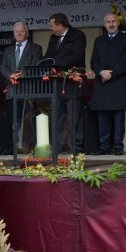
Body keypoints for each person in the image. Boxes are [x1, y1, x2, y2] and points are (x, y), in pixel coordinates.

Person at [90, 12, 126, 155]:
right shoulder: (99, 40)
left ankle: (117, 146)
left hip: (118, 82)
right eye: (108, 22)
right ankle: (104, 146)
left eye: (113, 21)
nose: (111, 24)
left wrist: (111, 73)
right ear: (104, 24)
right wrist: (101, 72)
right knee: (102, 116)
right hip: (102, 83)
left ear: (118, 23)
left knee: (118, 117)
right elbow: (94, 61)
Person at [45, 12, 87, 154]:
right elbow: (48, 56)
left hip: (73, 81)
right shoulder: (53, 38)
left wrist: (55, 65)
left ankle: (76, 147)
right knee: (58, 114)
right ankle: (58, 146)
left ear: (60, 25)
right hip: (58, 82)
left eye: (52, 25)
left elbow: (76, 56)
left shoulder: (78, 36)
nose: (50, 28)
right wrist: (45, 66)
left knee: (74, 115)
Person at [0, 21, 43, 153]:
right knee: (13, 121)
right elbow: (3, 66)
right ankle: (13, 148)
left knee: (28, 120)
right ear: (13, 34)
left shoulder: (36, 48)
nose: (19, 33)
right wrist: (10, 76)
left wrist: (21, 75)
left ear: (27, 33)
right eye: (16, 31)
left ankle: (28, 147)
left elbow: (37, 66)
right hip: (12, 90)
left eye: (22, 31)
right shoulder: (8, 50)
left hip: (27, 90)